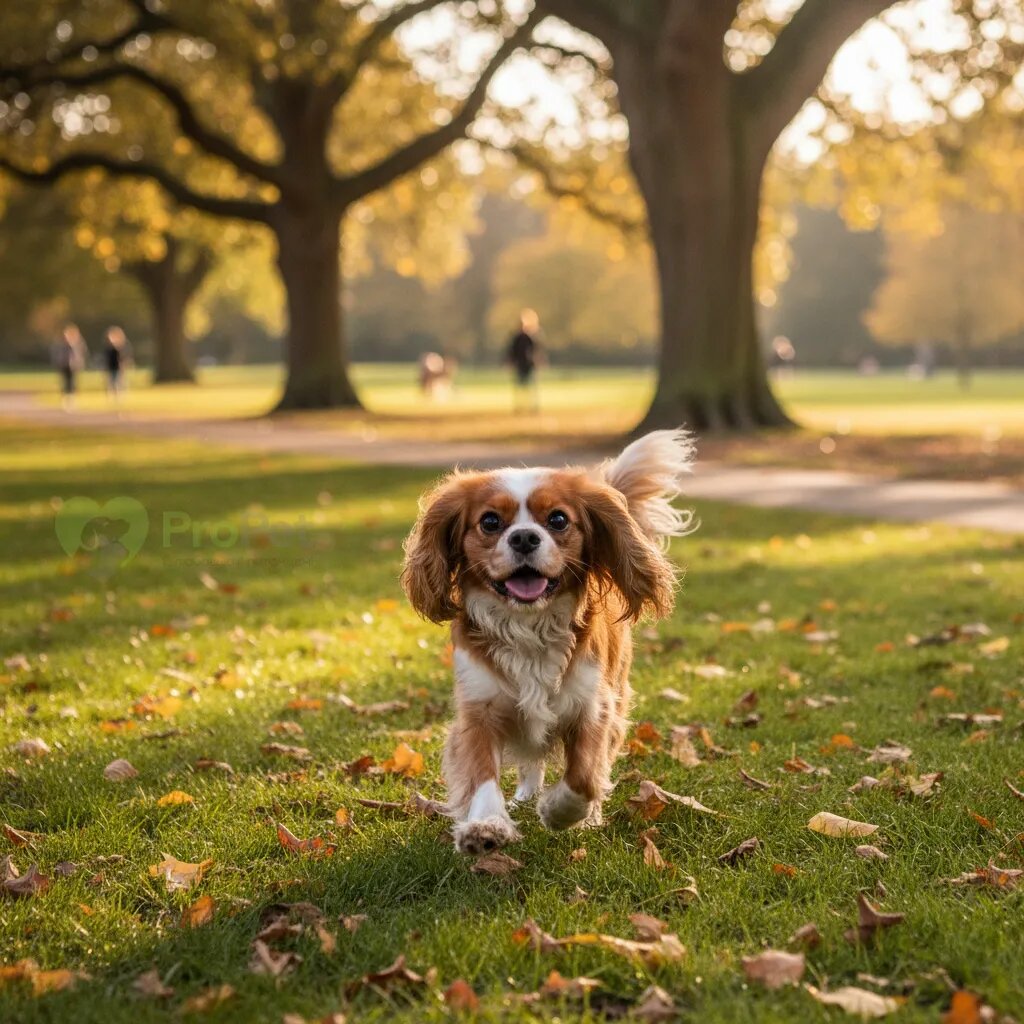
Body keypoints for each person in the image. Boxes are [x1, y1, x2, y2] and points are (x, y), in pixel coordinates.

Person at [506, 308, 543, 413]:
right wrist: (511, 361)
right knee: (520, 387)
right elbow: (512, 351)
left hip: (529, 365)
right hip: (520, 364)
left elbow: (537, 350)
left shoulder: (532, 337)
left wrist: (537, 361)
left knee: (531, 387)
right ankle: (520, 406)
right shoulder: (517, 338)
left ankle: (532, 406)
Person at [52, 324, 88, 411]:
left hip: (73, 367)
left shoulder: (77, 344)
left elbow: (81, 354)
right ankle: (65, 399)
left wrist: (78, 363)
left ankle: (71, 399)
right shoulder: (61, 345)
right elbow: (58, 355)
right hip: (64, 366)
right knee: (65, 382)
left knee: (72, 383)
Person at [103, 326, 132, 403]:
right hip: (111, 367)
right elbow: (106, 357)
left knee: (119, 382)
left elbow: (124, 356)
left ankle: (120, 396)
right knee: (111, 382)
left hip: (119, 367)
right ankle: (112, 397)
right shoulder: (108, 348)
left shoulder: (121, 347)